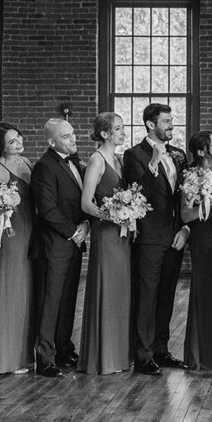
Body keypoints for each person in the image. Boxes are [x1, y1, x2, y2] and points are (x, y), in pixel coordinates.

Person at [123, 103, 191, 376]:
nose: (171, 126)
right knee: (147, 296)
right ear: (151, 124)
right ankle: (143, 355)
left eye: (171, 121)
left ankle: (161, 350)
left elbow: (186, 196)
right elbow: (138, 194)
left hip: (175, 234)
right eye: (166, 121)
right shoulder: (134, 155)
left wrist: (186, 229)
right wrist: (152, 163)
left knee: (166, 295)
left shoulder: (178, 154)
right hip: (150, 237)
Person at [30, 117, 89, 378]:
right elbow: (47, 209)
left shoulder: (76, 162)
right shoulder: (44, 166)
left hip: (74, 242)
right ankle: (45, 358)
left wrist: (85, 225)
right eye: (66, 137)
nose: (73, 139)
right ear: (52, 142)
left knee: (67, 301)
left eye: (73, 134)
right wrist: (73, 232)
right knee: (50, 303)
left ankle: (64, 349)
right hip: (53, 245)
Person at [78, 113, 133, 375]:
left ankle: (119, 355)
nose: (123, 133)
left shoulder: (119, 160)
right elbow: (86, 203)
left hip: (121, 234)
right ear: (104, 134)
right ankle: (102, 357)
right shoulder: (96, 160)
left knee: (120, 291)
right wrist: (112, 214)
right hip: (106, 233)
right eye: (118, 129)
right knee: (106, 288)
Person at [0, 122, 34, 375]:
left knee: (23, 292)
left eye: (19, 138)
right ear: (0, 146)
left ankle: (22, 355)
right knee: (7, 290)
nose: (18, 143)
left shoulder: (27, 164)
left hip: (28, 232)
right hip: (7, 237)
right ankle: (3, 358)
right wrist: (2, 207)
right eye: (12, 141)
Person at [182, 130, 212, 371]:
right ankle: (202, 354)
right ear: (201, 151)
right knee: (206, 290)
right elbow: (185, 213)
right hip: (204, 237)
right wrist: (204, 205)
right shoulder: (192, 175)